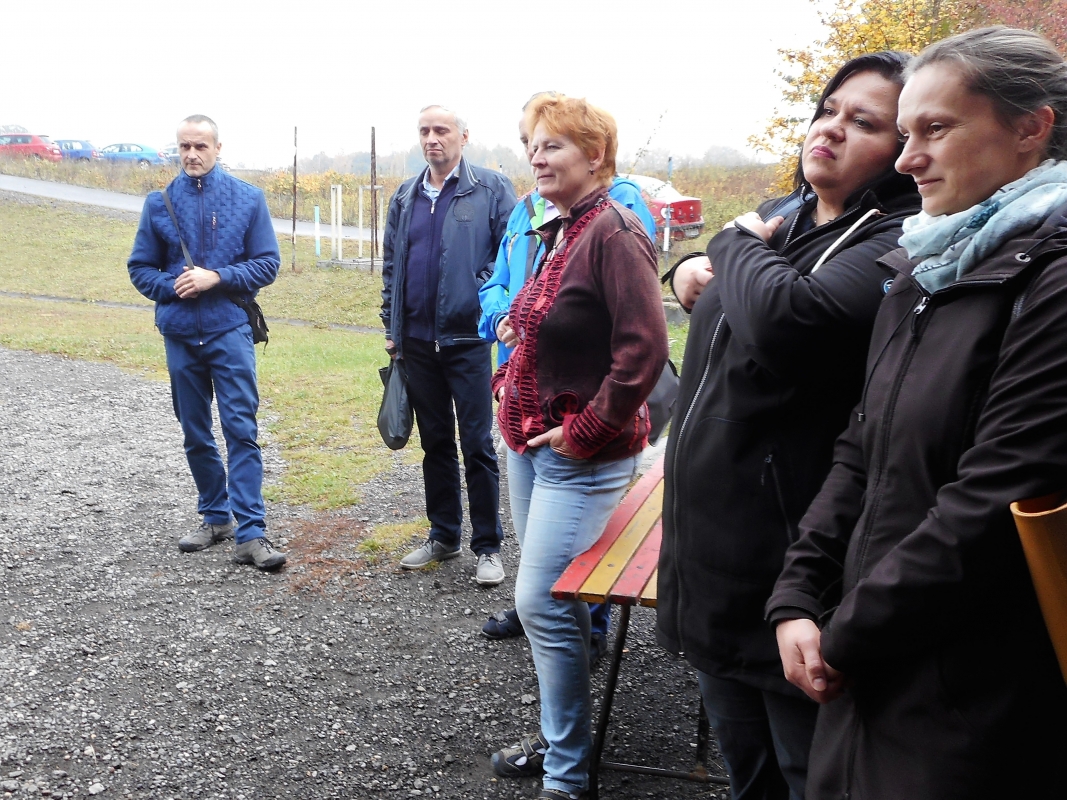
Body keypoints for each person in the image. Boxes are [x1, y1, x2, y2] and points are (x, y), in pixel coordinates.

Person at [767, 27, 1067, 799]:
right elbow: (859, 450)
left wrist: (846, 635)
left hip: (975, 702)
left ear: (1030, 128)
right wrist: (799, 595)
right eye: (903, 133)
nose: (905, 160)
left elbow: (994, 502)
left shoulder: (1051, 283)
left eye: (934, 129)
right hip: (870, 672)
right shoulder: (923, 267)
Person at [656, 52, 921, 800]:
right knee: (748, 773)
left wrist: (729, 246)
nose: (831, 130)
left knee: (811, 775)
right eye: (828, 110)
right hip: (708, 562)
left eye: (863, 122)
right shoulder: (788, 212)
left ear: (901, 152)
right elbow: (724, 285)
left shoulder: (899, 238)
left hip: (790, 575)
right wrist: (686, 268)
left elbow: (789, 322)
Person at [489, 94, 668, 800]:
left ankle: (567, 772)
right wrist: (507, 372)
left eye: (554, 145)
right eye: (532, 144)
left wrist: (588, 429)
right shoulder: (559, 228)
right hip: (529, 445)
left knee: (539, 601)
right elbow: (539, 322)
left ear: (595, 155)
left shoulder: (614, 231)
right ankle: (558, 739)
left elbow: (643, 350)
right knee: (548, 605)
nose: (537, 156)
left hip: (580, 457)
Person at [127, 114, 286, 570]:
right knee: (195, 430)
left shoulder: (247, 199)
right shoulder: (159, 203)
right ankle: (215, 517)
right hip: (179, 334)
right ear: (177, 150)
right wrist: (172, 286)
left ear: (218, 148)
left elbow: (267, 264)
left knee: (241, 429)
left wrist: (216, 277)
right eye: (184, 146)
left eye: (200, 146)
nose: (192, 154)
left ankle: (251, 533)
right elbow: (140, 268)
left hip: (229, 330)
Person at [380, 105, 517, 586]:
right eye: (424, 131)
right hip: (417, 342)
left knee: (477, 444)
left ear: (463, 135)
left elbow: (511, 255)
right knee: (435, 442)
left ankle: (488, 546)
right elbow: (392, 266)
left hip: (469, 339)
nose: (432, 138)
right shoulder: (406, 195)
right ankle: (444, 535)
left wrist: (484, 295)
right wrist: (390, 326)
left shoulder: (491, 189)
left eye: (441, 130)